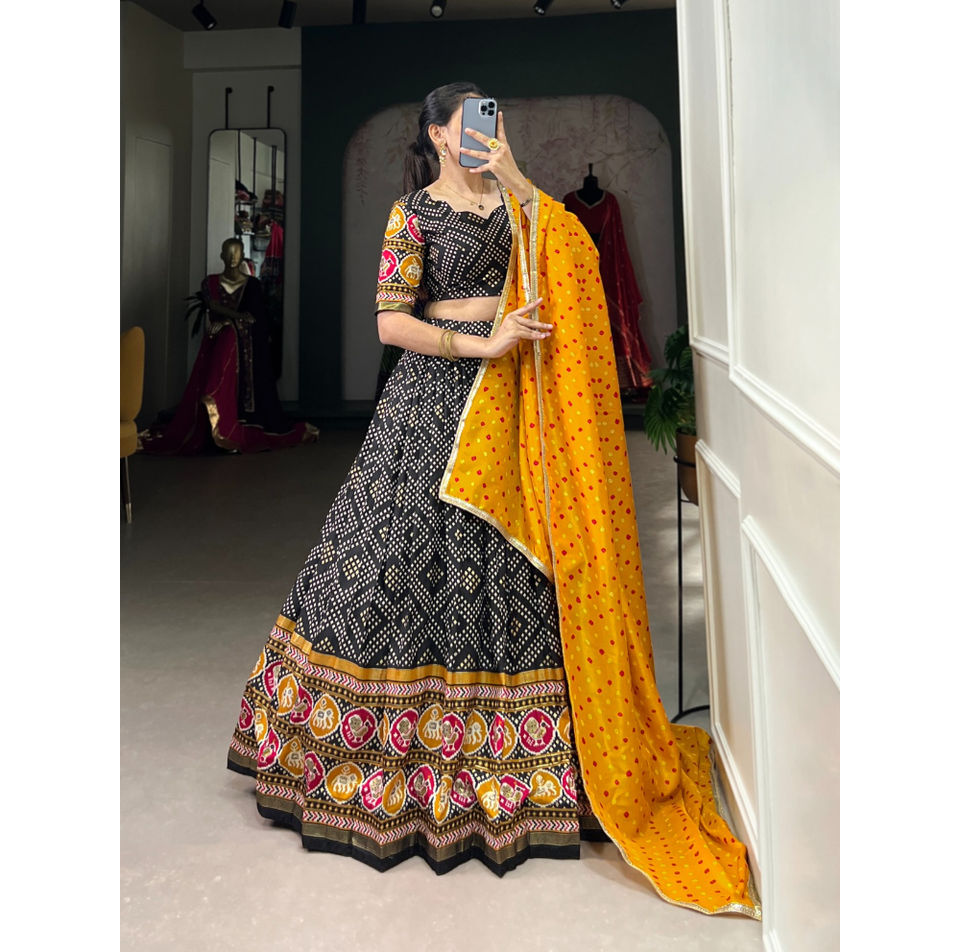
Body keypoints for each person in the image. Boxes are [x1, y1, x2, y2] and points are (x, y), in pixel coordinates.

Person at [226, 83, 761, 919]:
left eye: (495, 118)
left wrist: (516, 179)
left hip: (518, 408)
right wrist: (484, 341)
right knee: (392, 561)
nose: (487, 130)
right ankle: (380, 764)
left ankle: (532, 773)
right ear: (439, 136)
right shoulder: (412, 214)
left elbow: (576, 258)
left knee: (524, 564)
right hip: (433, 401)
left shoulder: (523, 208)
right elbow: (390, 323)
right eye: (471, 121)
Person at [137, 238, 317, 455]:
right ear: (222, 255)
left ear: (243, 256)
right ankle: (214, 411)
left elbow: (254, 319)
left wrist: (227, 321)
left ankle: (230, 416)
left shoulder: (252, 285)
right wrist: (231, 319)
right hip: (219, 340)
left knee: (229, 334)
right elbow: (213, 307)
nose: (233, 257)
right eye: (229, 252)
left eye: (237, 253)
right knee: (225, 338)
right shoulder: (211, 283)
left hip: (244, 344)